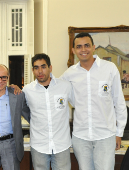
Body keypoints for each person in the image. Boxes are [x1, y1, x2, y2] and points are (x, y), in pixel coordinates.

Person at [61, 33, 127, 170]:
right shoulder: (69, 74)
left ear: (94, 48)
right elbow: (52, 88)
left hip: (105, 136)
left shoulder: (109, 69)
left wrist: (119, 133)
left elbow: (119, 102)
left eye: (87, 45)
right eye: (79, 46)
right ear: (73, 51)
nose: (83, 49)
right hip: (81, 136)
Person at [22, 53, 73, 170]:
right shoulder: (27, 90)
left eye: (43, 67)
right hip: (39, 146)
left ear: (50, 68)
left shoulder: (65, 86)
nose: (40, 71)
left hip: (61, 145)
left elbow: (79, 105)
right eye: (36, 68)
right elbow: (22, 110)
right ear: (32, 70)